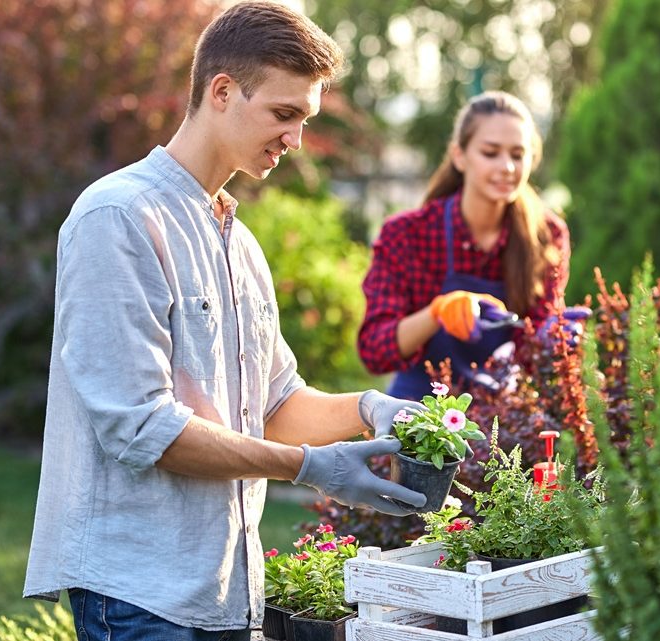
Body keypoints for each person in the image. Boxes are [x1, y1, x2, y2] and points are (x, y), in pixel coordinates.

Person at [22, 3, 426, 639]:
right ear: (222, 92)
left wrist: (371, 408)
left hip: (224, 594)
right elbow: (141, 427)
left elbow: (276, 404)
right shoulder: (119, 218)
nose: (296, 140)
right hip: (138, 597)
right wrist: (308, 467)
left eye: (305, 119)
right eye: (284, 114)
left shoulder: (239, 243)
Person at [358, 91, 571, 400]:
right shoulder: (407, 234)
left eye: (517, 155)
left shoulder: (546, 235)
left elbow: (533, 351)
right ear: (459, 156)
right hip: (420, 410)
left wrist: (555, 340)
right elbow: (374, 350)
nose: (507, 167)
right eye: (490, 153)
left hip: (504, 409)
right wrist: (436, 313)